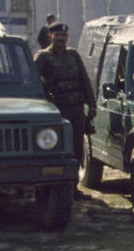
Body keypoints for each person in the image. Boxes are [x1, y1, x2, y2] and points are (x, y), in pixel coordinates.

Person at [33, 22, 96, 200]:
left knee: (77, 149)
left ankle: (73, 188)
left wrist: (92, 105)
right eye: (57, 35)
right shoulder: (42, 57)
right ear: (49, 36)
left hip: (76, 108)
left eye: (63, 35)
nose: (61, 38)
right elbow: (35, 82)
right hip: (57, 111)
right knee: (57, 149)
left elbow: (84, 79)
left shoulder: (73, 54)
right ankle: (52, 189)